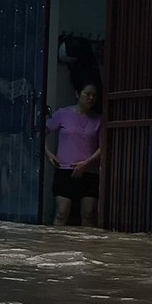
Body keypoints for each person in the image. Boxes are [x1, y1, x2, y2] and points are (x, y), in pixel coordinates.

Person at [45, 83, 103, 226]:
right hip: (65, 170)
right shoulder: (63, 114)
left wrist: (87, 163)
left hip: (89, 171)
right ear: (78, 94)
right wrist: (48, 153)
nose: (91, 98)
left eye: (94, 95)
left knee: (89, 213)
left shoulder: (99, 119)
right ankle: (55, 245)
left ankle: (87, 247)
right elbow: (41, 132)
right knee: (62, 212)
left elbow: (103, 147)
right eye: (87, 94)